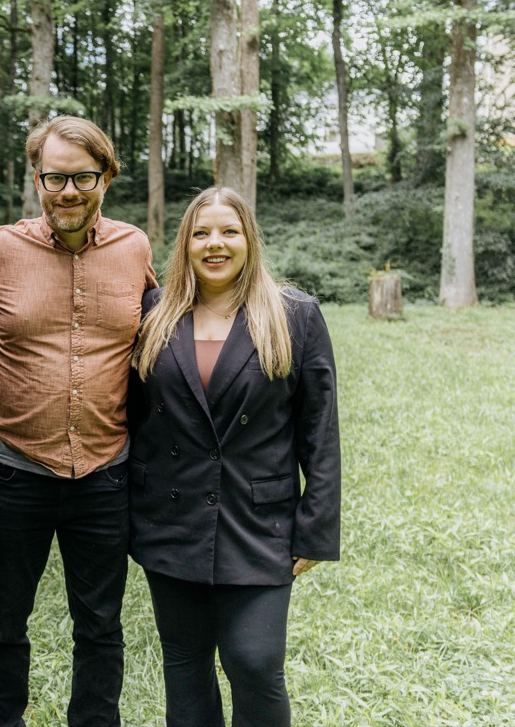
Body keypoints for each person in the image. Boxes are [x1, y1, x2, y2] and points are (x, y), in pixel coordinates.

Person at [0, 115, 157, 726]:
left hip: (105, 475)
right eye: (55, 178)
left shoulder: (135, 248)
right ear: (36, 178)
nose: (69, 192)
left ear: (107, 177)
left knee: (101, 625)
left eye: (83, 178)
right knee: (4, 620)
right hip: (16, 472)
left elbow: (169, 325)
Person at [128, 186, 341, 726]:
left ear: (249, 238)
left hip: (259, 522)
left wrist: (314, 528)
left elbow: (319, 431)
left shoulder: (295, 315)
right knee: (184, 664)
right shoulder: (154, 312)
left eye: (228, 231)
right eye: (201, 233)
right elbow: (133, 418)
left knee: (255, 661)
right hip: (171, 520)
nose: (214, 244)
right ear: (185, 243)